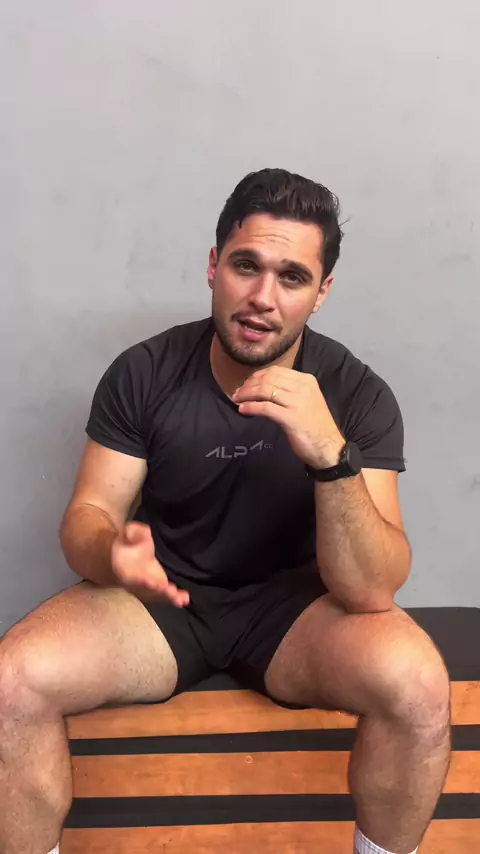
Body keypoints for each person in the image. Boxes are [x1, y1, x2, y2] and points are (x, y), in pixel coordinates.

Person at [0, 169, 450, 854]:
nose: (263, 297)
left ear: (321, 292)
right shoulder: (146, 371)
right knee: (11, 681)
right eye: (246, 266)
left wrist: (331, 457)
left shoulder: (357, 394)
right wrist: (112, 554)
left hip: (296, 616)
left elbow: (371, 589)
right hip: (164, 602)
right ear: (214, 267)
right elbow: (88, 515)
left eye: (292, 277)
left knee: (418, 686)